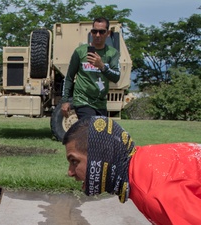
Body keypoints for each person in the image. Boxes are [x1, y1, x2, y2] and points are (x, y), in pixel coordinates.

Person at [63, 116, 201, 225]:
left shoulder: (153, 193)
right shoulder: (142, 161)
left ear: (99, 158)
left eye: (74, 161)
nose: (70, 172)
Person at [61, 17, 120, 119]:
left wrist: (102, 66)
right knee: (90, 128)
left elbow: (116, 77)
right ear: (91, 32)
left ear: (108, 33)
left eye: (101, 32)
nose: (97, 35)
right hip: (82, 101)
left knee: (100, 133)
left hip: (100, 103)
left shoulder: (112, 53)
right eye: (94, 31)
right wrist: (65, 101)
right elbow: (69, 77)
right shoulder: (80, 52)